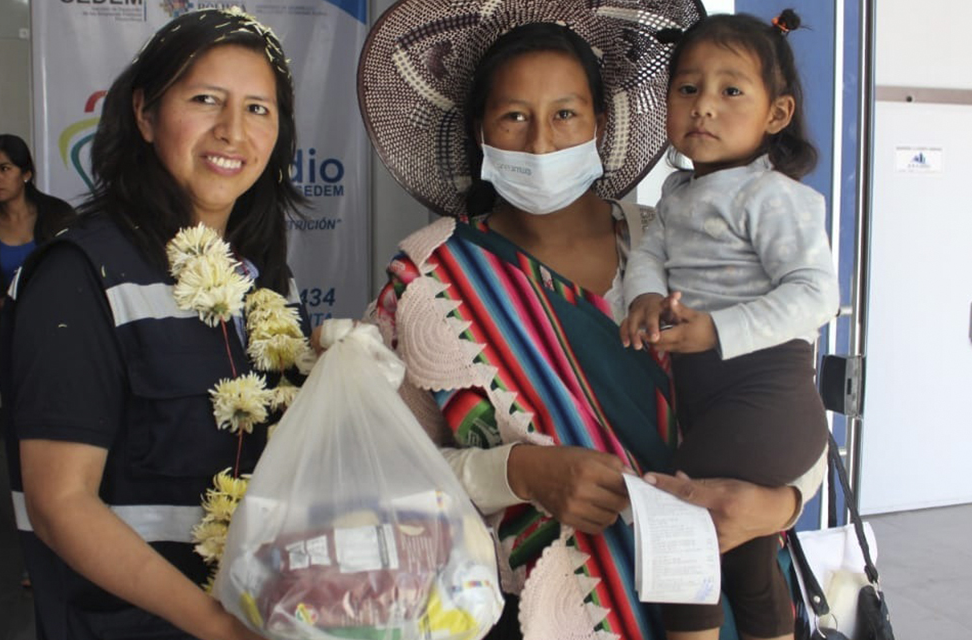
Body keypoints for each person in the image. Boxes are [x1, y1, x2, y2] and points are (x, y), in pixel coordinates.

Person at [358, 2, 824, 639]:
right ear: (481, 131)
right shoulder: (430, 279)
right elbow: (379, 468)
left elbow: (785, 405)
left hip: (736, 603)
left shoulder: (678, 245)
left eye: (566, 114)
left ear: (600, 123)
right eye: (514, 116)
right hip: (539, 614)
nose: (541, 141)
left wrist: (780, 503)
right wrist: (516, 472)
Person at [0, 8, 307, 640]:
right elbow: (61, 504)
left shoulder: (268, 281)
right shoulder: (80, 275)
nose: (233, 131)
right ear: (144, 114)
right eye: (205, 100)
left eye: (258, 109)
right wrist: (216, 626)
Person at [618, 10, 838, 640]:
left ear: (777, 114)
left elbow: (817, 292)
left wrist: (716, 330)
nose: (704, 107)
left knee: (678, 522)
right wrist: (644, 299)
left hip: (766, 397)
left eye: (730, 90)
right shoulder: (679, 195)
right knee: (746, 562)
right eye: (687, 89)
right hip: (721, 404)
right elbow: (648, 257)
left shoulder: (776, 198)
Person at [0, 134, 76, 405]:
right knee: (18, 416)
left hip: (59, 335)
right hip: (8, 339)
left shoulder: (57, 215)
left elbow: (79, 273)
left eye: (4, 169)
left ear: (25, 173)